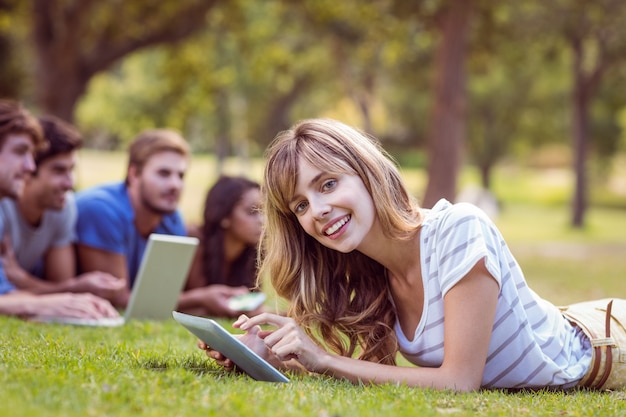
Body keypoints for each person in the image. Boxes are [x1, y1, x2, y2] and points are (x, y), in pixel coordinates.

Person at [201, 118, 626, 392]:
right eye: (300, 205)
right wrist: (278, 357)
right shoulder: (369, 270)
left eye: (327, 184)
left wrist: (325, 360)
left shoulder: (459, 229)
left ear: (366, 172)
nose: (317, 210)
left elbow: (459, 382)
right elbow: (377, 374)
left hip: (609, 342)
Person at [0, 99, 119, 320]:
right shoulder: (5, 207)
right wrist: (42, 304)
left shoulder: (63, 208)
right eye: (19, 152)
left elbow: (8, 292)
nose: (29, 166)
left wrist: (68, 293)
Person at [74, 128, 191, 307]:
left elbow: (158, 295)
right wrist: (200, 299)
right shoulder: (102, 209)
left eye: (181, 175)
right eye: (163, 173)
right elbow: (117, 297)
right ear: (134, 174)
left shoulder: (171, 218)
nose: (175, 184)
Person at [183, 175, 264, 317]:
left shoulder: (252, 251)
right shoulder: (193, 240)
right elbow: (163, 301)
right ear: (224, 216)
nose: (262, 221)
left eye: (263, 211)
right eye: (251, 212)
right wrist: (202, 297)